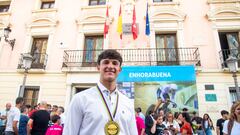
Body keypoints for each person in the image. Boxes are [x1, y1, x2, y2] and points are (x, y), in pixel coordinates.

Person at [63, 49, 138, 135]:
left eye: (115, 63)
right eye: (106, 62)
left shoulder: (127, 102)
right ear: (98, 67)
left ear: (120, 69)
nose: (110, 66)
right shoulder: (80, 99)